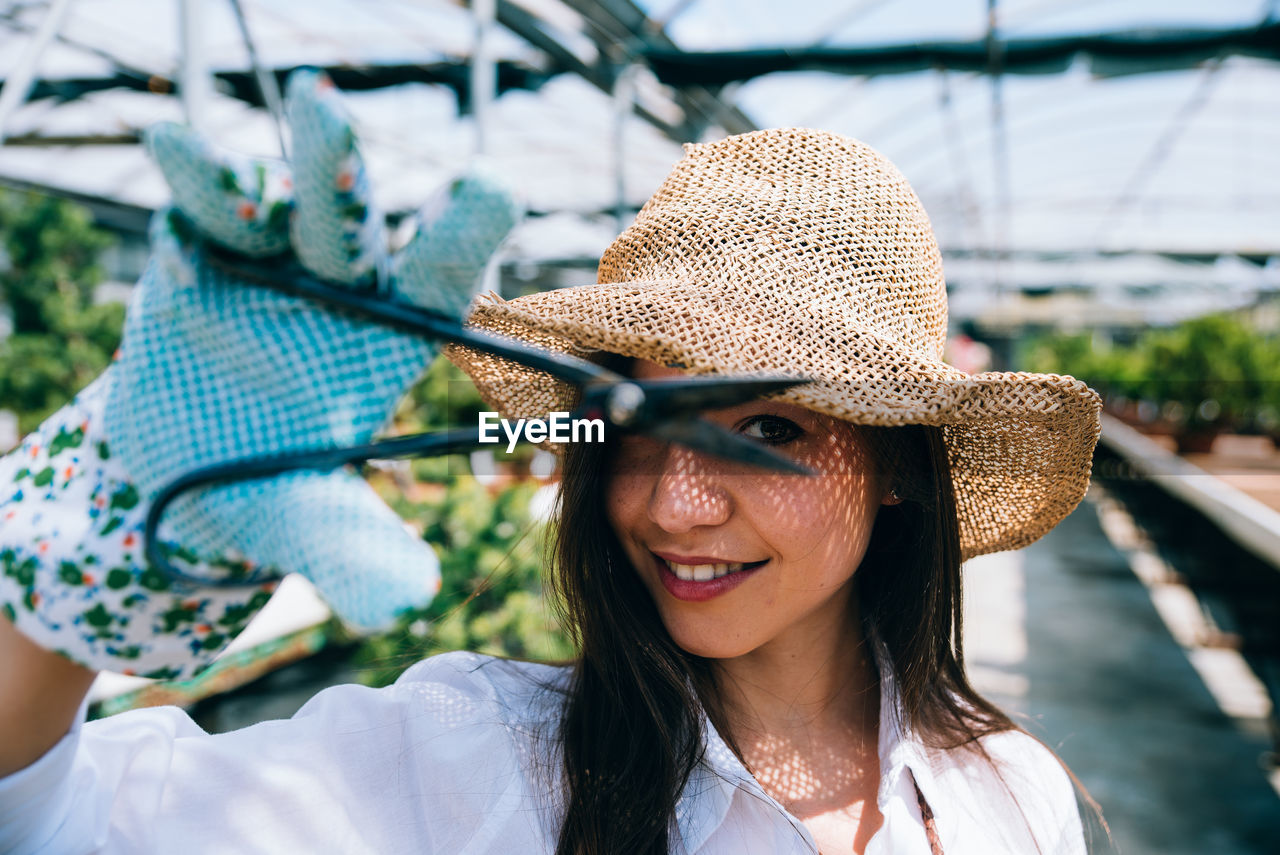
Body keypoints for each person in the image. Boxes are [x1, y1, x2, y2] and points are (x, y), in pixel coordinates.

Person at [0, 73, 1102, 855]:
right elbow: (62, 822)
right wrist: (93, 536)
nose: (672, 502)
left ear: (901, 462)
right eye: (631, 419)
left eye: (768, 428)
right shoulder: (472, 761)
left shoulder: (1011, 797)